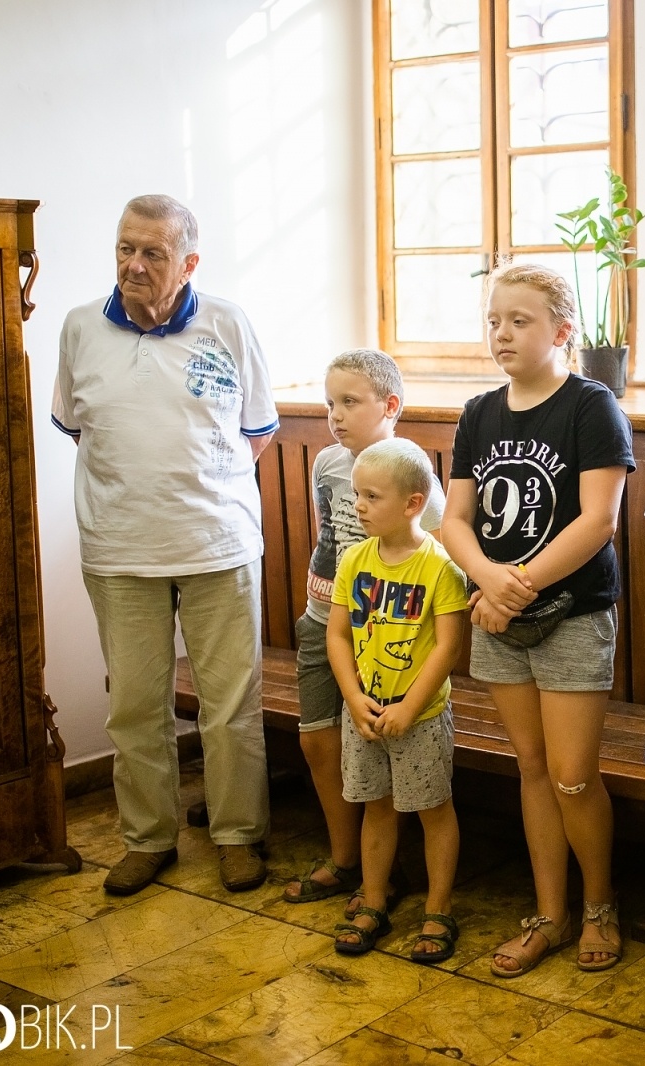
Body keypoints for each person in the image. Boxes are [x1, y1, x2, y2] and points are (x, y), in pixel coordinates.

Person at [52, 194, 278, 896]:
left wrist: (203, 486)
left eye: (153, 252)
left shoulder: (227, 323)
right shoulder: (81, 327)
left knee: (230, 703)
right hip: (119, 550)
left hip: (219, 544)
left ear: (188, 262)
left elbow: (258, 429)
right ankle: (148, 839)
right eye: (125, 248)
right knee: (135, 706)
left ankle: (238, 835)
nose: (134, 264)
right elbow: (77, 425)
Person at [441, 262, 635, 977]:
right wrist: (489, 582)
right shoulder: (478, 414)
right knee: (531, 768)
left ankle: (600, 906)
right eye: (494, 320)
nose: (502, 334)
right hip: (497, 615)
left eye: (519, 321)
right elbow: (455, 519)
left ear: (561, 330)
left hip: (572, 615)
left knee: (574, 775)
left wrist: (510, 588)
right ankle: (549, 915)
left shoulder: (590, 405)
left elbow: (598, 523)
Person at [283, 349, 445, 912]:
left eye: (350, 402)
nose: (336, 414)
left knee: (384, 750)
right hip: (323, 621)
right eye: (330, 403)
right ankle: (344, 858)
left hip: (384, 633)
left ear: (390, 405)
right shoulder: (328, 463)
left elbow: (437, 552)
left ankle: (386, 869)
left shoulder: (410, 476)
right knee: (318, 739)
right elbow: (326, 533)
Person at [326, 438, 467, 960]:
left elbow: (448, 646)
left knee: (432, 808)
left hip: (421, 716)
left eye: (372, 496)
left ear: (412, 504)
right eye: (357, 494)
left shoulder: (439, 568)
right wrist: (353, 698)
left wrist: (409, 707)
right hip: (364, 711)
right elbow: (338, 635)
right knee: (377, 808)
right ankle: (375, 899)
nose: (358, 505)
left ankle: (437, 908)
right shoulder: (354, 561)